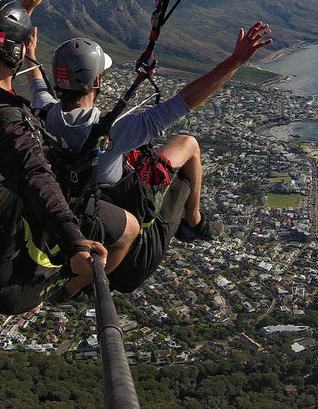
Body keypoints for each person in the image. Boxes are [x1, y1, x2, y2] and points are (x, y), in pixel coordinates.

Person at [24, 21, 272, 291]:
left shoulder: (45, 115)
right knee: (188, 144)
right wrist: (235, 61)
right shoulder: (113, 131)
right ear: (96, 81)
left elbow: (37, 85)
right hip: (133, 254)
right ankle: (194, 221)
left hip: (80, 238)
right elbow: (184, 101)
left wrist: (30, 53)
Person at [0, 0, 138, 314]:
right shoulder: (9, 121)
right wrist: (74, 240)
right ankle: (72, 287)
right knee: (128, 227)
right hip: (9, 283)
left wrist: (27, 6)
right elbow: (36, 177)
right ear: (16, 52)